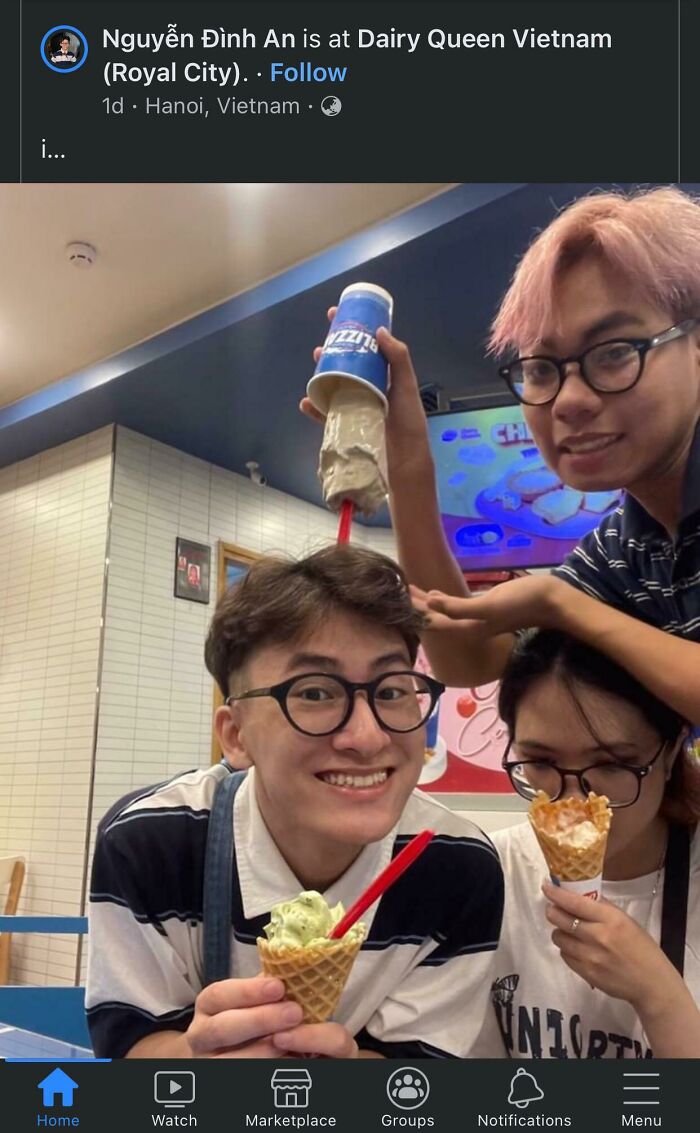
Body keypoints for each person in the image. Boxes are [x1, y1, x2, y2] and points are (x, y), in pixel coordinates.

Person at [86, 545, 504, 1059]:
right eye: (314, 693)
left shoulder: (457, 865)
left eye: (393, 690)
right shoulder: (150, 841)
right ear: (235, 735)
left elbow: (416, 1073)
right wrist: (197, 1064)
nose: (368, 737)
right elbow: (132, 1043)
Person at [302, 188, 700, 724]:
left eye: (614, 353)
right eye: (540, 368)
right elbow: (465, 658)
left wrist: (561, 607)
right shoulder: (627, 546)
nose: (570, 400)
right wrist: (407, 459)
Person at [472, 628, 700, 1059]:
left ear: (670, 755)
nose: (574, 801)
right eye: (540, 761)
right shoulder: (487, 873)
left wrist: (659, 995)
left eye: (613, 764)